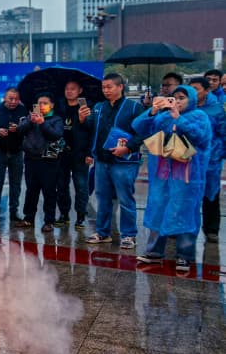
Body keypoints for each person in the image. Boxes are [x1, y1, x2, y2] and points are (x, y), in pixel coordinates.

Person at [133, 86, 211, 272]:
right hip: (162, 175)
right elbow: (139, 127)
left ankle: (184, 256)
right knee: (158, 209)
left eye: (182, 98)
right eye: (174, 98)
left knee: (185, 212)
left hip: (187, 176)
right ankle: (154, 252)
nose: (177, 101)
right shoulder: (163, 117)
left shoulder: (199, 116)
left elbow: (202, 138)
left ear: (191, 99)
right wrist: (152, 110)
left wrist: (180, 119)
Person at [82, 73, 145, 248]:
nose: (106, 90)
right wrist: (82, 119)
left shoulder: (134, 108)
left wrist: (128, 147)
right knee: (103, 198)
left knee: (125, 199)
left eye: (109, 87)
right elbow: (90, 128)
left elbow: (143, 132)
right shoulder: (99, 107)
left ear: (120, 87)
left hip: (124, 162)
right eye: (104, 87)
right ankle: (103, 233)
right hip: (102, 160)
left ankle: (129, 235)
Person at [19, 93, 65, 232]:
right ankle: (28, 218)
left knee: (49, 191)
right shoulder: (30, 117)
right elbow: (20, 130)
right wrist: (30, 121)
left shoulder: (56, 119)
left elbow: (56, 135)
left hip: (48, 161)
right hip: (31, 159)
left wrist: (42, 123)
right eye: (39, 103)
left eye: (45, 103)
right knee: (31, 190)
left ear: (52, 105)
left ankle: (49, 221)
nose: (41, 106)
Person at [189, 76, 226, 243]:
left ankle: (211, 229)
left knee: (211, 194)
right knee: (187, 195)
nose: (193, 93)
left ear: (206, 90)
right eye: (191, 89)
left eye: (196, 89)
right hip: (188, 158)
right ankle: (185, 226)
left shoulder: (217, 109)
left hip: (211, 159)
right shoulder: (185, 108)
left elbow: (223, 134)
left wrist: (218, 154)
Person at [56, 81, 94, 228]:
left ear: (80, 90)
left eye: (73, 89)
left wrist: (90, 153)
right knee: (61, 185)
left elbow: (92, 131)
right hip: (62, 153)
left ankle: (80, 216)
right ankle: (64, 214)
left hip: (80, 153)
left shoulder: (86, 107)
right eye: (66, 88)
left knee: (81, 186)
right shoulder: (59, 106)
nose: (69, 91)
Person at [0, 87, 28, 223]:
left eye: (16, 99)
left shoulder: (23, 110)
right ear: (5, 98)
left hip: (17, 151)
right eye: (10, 98)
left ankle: (14, 212)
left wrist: (18, 129)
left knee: (16, 183)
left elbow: (28, 128)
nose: (13, 101)